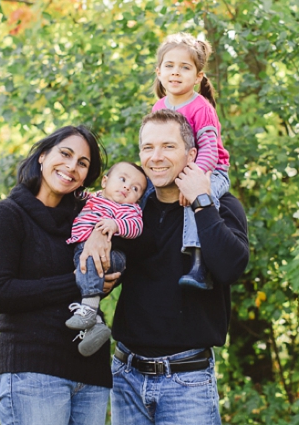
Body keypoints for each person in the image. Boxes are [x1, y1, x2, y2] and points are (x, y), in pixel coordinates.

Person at [79, 109, 249, 425]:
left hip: (188, 382)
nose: (156, 157)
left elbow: (230, 268)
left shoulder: (221, 205)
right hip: (126, 376)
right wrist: (95, 239)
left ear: (192, 154)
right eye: (148, 147)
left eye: (168, 146)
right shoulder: (131, 210)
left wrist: (200, 199)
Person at [0, 126, 120, 425]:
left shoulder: (88, 219)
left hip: (90, 373)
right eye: (65, 154)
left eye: (83, 163)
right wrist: (76, 280)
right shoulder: (8, 214)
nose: (71, 166)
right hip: (34, 372)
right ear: (43, 156)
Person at [151, 33, 231, 290]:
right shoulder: (159, 107)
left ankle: (200, 265)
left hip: (211, 172)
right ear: (159, 72)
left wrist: (192, 182)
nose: (175, 73)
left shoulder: (200, 107)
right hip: (177, 172)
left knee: (197, 201)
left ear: (197, 76)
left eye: (184, 68)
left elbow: (210, 151)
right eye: (169, 66)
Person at [65, 161, 147, 357]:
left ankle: (89, 310)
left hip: (111, 256)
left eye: (135, 188)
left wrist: (115, 225)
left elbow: (136, 228)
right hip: (83, 250)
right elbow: (75, 193)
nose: (127, 187)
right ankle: (96, 326)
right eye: (122, 179)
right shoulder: (93, 198)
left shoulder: (130, 210)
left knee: (89, 263)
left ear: (138, 198)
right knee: (81, 277)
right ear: (104, 182)